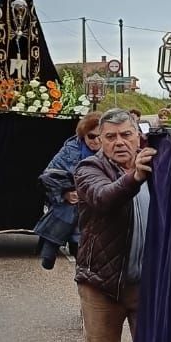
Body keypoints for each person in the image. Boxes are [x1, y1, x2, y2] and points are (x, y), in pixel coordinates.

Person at [73, 109, 156, 342]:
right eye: (111, 137)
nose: (120, 142)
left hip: (147, 283)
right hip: (101, 283)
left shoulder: (159, 165)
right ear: (100, 142)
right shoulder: (89, 170)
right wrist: (134, 177)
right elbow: (103, 198)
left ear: (139, 136)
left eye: (126, 134)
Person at [34, 112, 101, 269]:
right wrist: (64, 194)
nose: (97, 141)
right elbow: (46, 178)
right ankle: (50, 249)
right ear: (83, 135)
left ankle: (50, 247)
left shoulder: (111, 150)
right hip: (75, 211)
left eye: (101, 136)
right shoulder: (70, 150)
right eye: (91, 136)